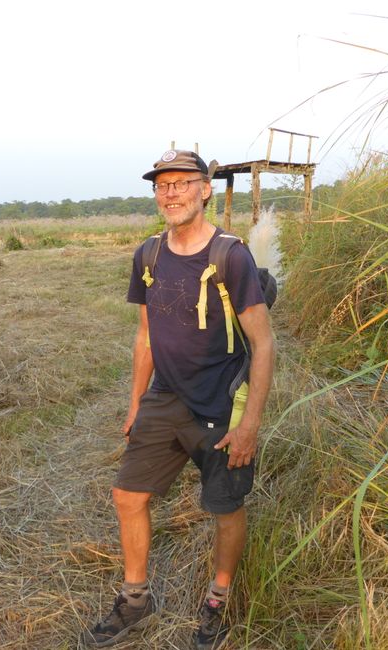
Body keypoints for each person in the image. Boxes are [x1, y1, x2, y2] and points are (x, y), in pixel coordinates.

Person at [81, 150, 275, 649]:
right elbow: (145, 335)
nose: (170, 192)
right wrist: (134, 403)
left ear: (205, 189)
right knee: (128, 496)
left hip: (220, 403)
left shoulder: (230, 255)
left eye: (181, 183)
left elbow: (264, 342)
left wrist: (250, 423)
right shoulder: (148, 254)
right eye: (161, 185)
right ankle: (135, 598)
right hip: (164, 399)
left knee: (224, 507)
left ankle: (217, 598)